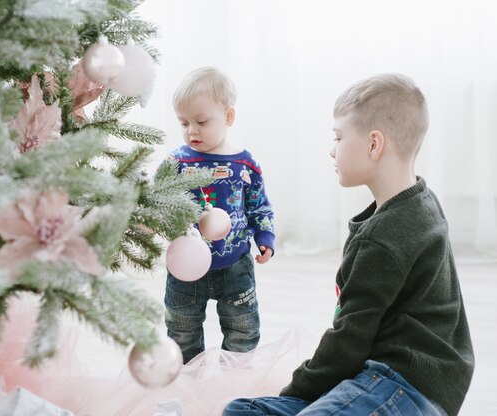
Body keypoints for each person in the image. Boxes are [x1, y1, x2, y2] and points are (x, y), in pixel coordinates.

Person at [223, 73, 474, 416]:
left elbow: (348, 339)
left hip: (407, 386)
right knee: (242, 410)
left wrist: (298, 391)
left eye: (338, 138)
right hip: (377, 377)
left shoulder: (385, 238)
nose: (332, 150)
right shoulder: (419, 202)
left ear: (374, 144)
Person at [165, 67, 275, 364]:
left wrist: (265, 236)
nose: (192, 131)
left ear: (228, 117)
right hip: (186, 265)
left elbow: (259, 204)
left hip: (235, 263)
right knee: (181, 328)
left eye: (201, 121)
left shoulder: (244, 164)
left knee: (242, 327)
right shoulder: (176, 162)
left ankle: (234, 379)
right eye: (184, 123)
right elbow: (159, 202)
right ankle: (188, 380)